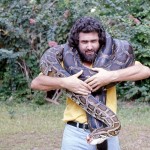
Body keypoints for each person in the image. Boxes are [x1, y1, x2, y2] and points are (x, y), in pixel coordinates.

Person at [31, 17, 150, 150]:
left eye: (93, 41)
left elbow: (145, 71)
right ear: (77, 42)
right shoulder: (65, 61)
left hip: (107, 131)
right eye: (84, 42)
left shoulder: (112, 61)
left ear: (100, 41)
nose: (89, 46)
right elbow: (36, 83)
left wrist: (110, 76)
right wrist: (65, 82)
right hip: (75, 134)